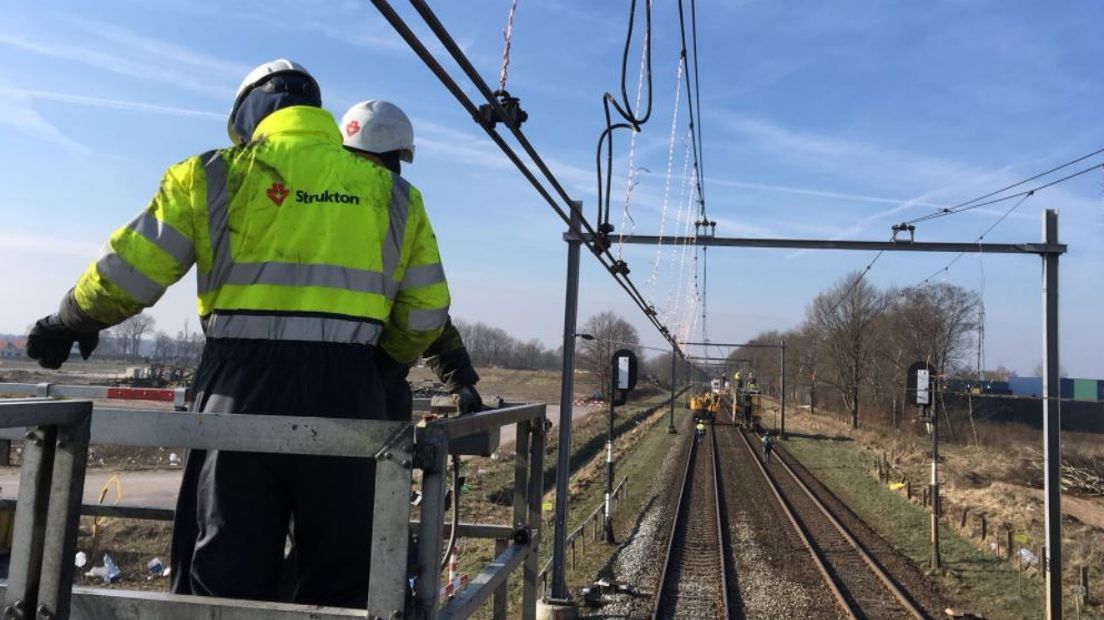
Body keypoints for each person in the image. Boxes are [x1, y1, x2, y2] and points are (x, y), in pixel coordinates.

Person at [25, 59, 450, 607]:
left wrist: (69, 321)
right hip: (350, 392)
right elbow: (425, 313)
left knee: (224, 567)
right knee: (345, 574)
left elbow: (131, 270)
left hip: (238, 390)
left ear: (251, 111)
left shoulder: (213, 174)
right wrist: (379, 365)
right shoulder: (395, 196)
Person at [339, 100, 480, 417]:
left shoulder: (305, 197)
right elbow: (425, 313)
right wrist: (389, 363)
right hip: (369, 389)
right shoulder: (398, 204)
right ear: (394, 154)